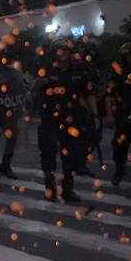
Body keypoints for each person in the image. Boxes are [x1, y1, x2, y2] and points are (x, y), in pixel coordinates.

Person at [30, 37, 100, 202]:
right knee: (47, 152)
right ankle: (50, 186)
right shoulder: (46, 69)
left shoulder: (79, 70)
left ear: (70, 52)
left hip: (71, 117)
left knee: (71, 155)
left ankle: (68, 188)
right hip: (50, 118)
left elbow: (88, 95)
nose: (62, 53)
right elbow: (33, 92)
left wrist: (95, 115)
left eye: (65, 50)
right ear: (53, 53)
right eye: (58, 50)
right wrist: (37, 85)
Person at [105, 42, 131, 189]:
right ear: (128, 57)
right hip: (125, 115)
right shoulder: (120, 73)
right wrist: (109, 114)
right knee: (120, 146)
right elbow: (109, 94)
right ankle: (119, 171)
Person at [0, 40, 27, 179]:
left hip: (10, 109)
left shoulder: (11, 71)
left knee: (12, 137)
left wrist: (20, 105)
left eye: (2, 53)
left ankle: (6, 165)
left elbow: (20, 90)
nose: (0, 56)